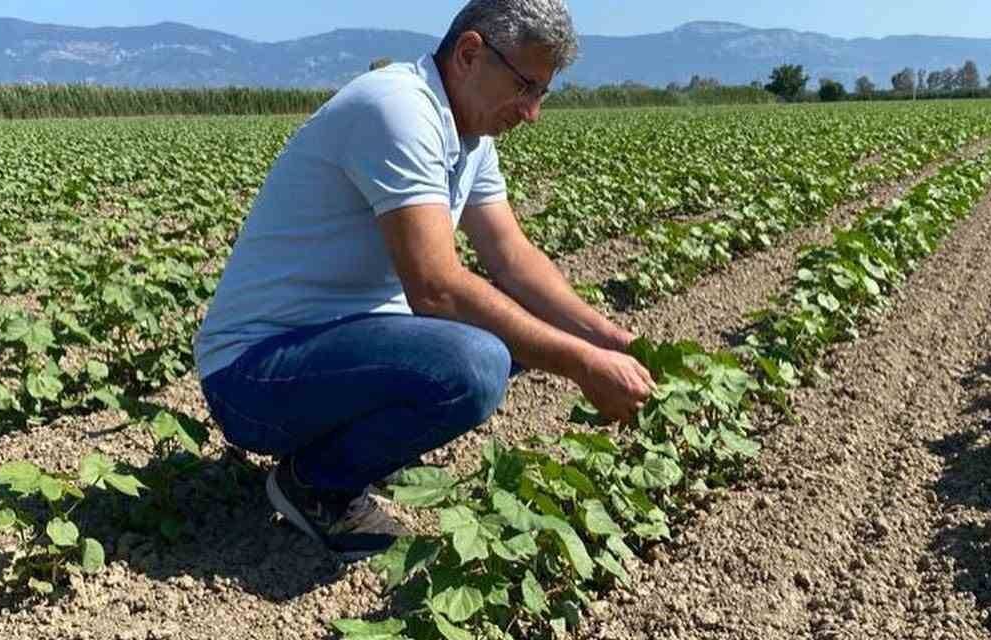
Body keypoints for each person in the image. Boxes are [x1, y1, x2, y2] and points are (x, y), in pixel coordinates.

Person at [193, 0, 653, 561]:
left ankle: (353, 445)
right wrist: (581, 364)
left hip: (336, 347)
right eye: (526, 86)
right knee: (477, 361)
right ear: (469, 54)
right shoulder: (398, 109)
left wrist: (606, 339)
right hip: (255, 375)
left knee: (520, 325)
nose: (531, 112)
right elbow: (435, 287)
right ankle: (315, 484)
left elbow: (512, 257)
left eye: (542, 94)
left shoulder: (470, 133)